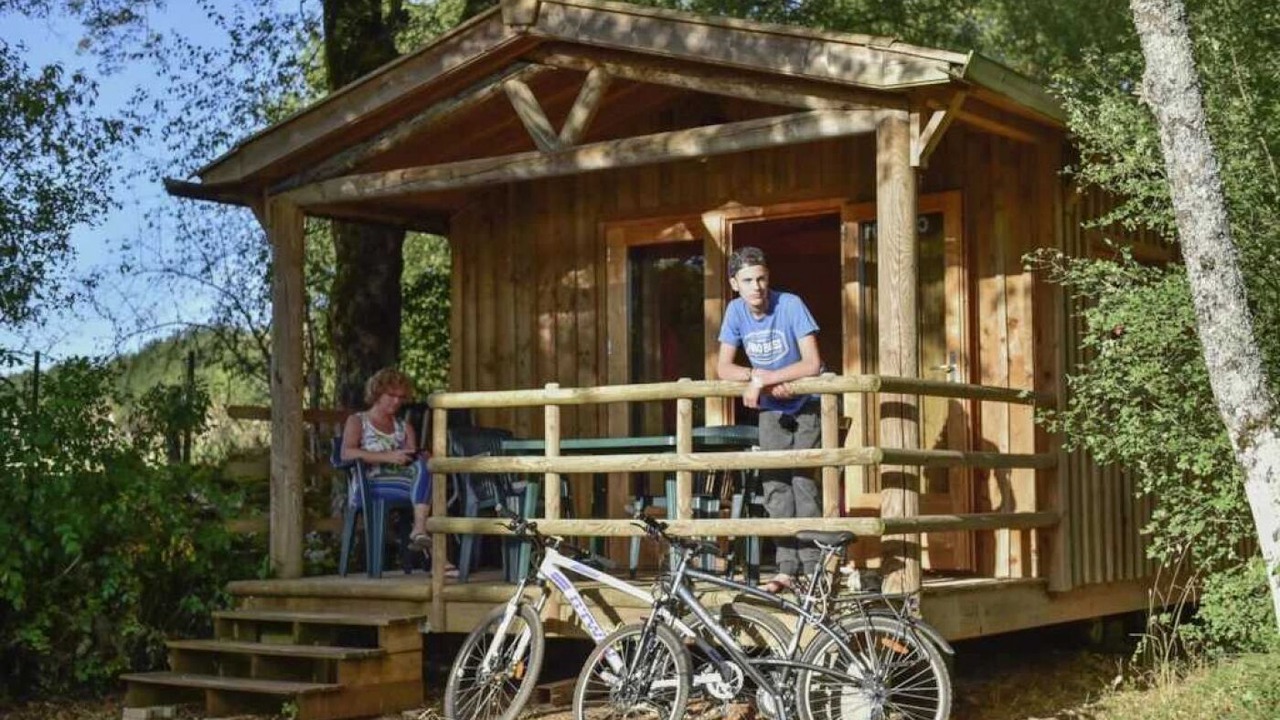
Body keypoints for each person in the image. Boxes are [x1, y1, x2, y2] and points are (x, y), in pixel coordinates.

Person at [716, 246, 822, 593]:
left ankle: (813, 570)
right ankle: (786, 569)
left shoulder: (790, 304)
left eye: (761, 278)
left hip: (805, 402)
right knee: (775, 485)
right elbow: (723, 368)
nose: (757, 286)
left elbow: (812, 364)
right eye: (748, 280)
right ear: (735, 284)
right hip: (771, 408)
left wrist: (763, 380)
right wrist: (756, 374)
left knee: (803, 482)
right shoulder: (735, 312)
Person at [341, 367, 457, 577]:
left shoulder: (404, 427)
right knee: (429, 488)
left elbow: (411, 460)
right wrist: (387, 457)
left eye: (401, 397)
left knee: (428, 471)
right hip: (369, 485)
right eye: (391, 396)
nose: (396, 402)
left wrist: (420, 456)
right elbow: (346, 454)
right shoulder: (358, 421)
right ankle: (436, 557)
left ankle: (420, 532)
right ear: (377, 393)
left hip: (404, 483)